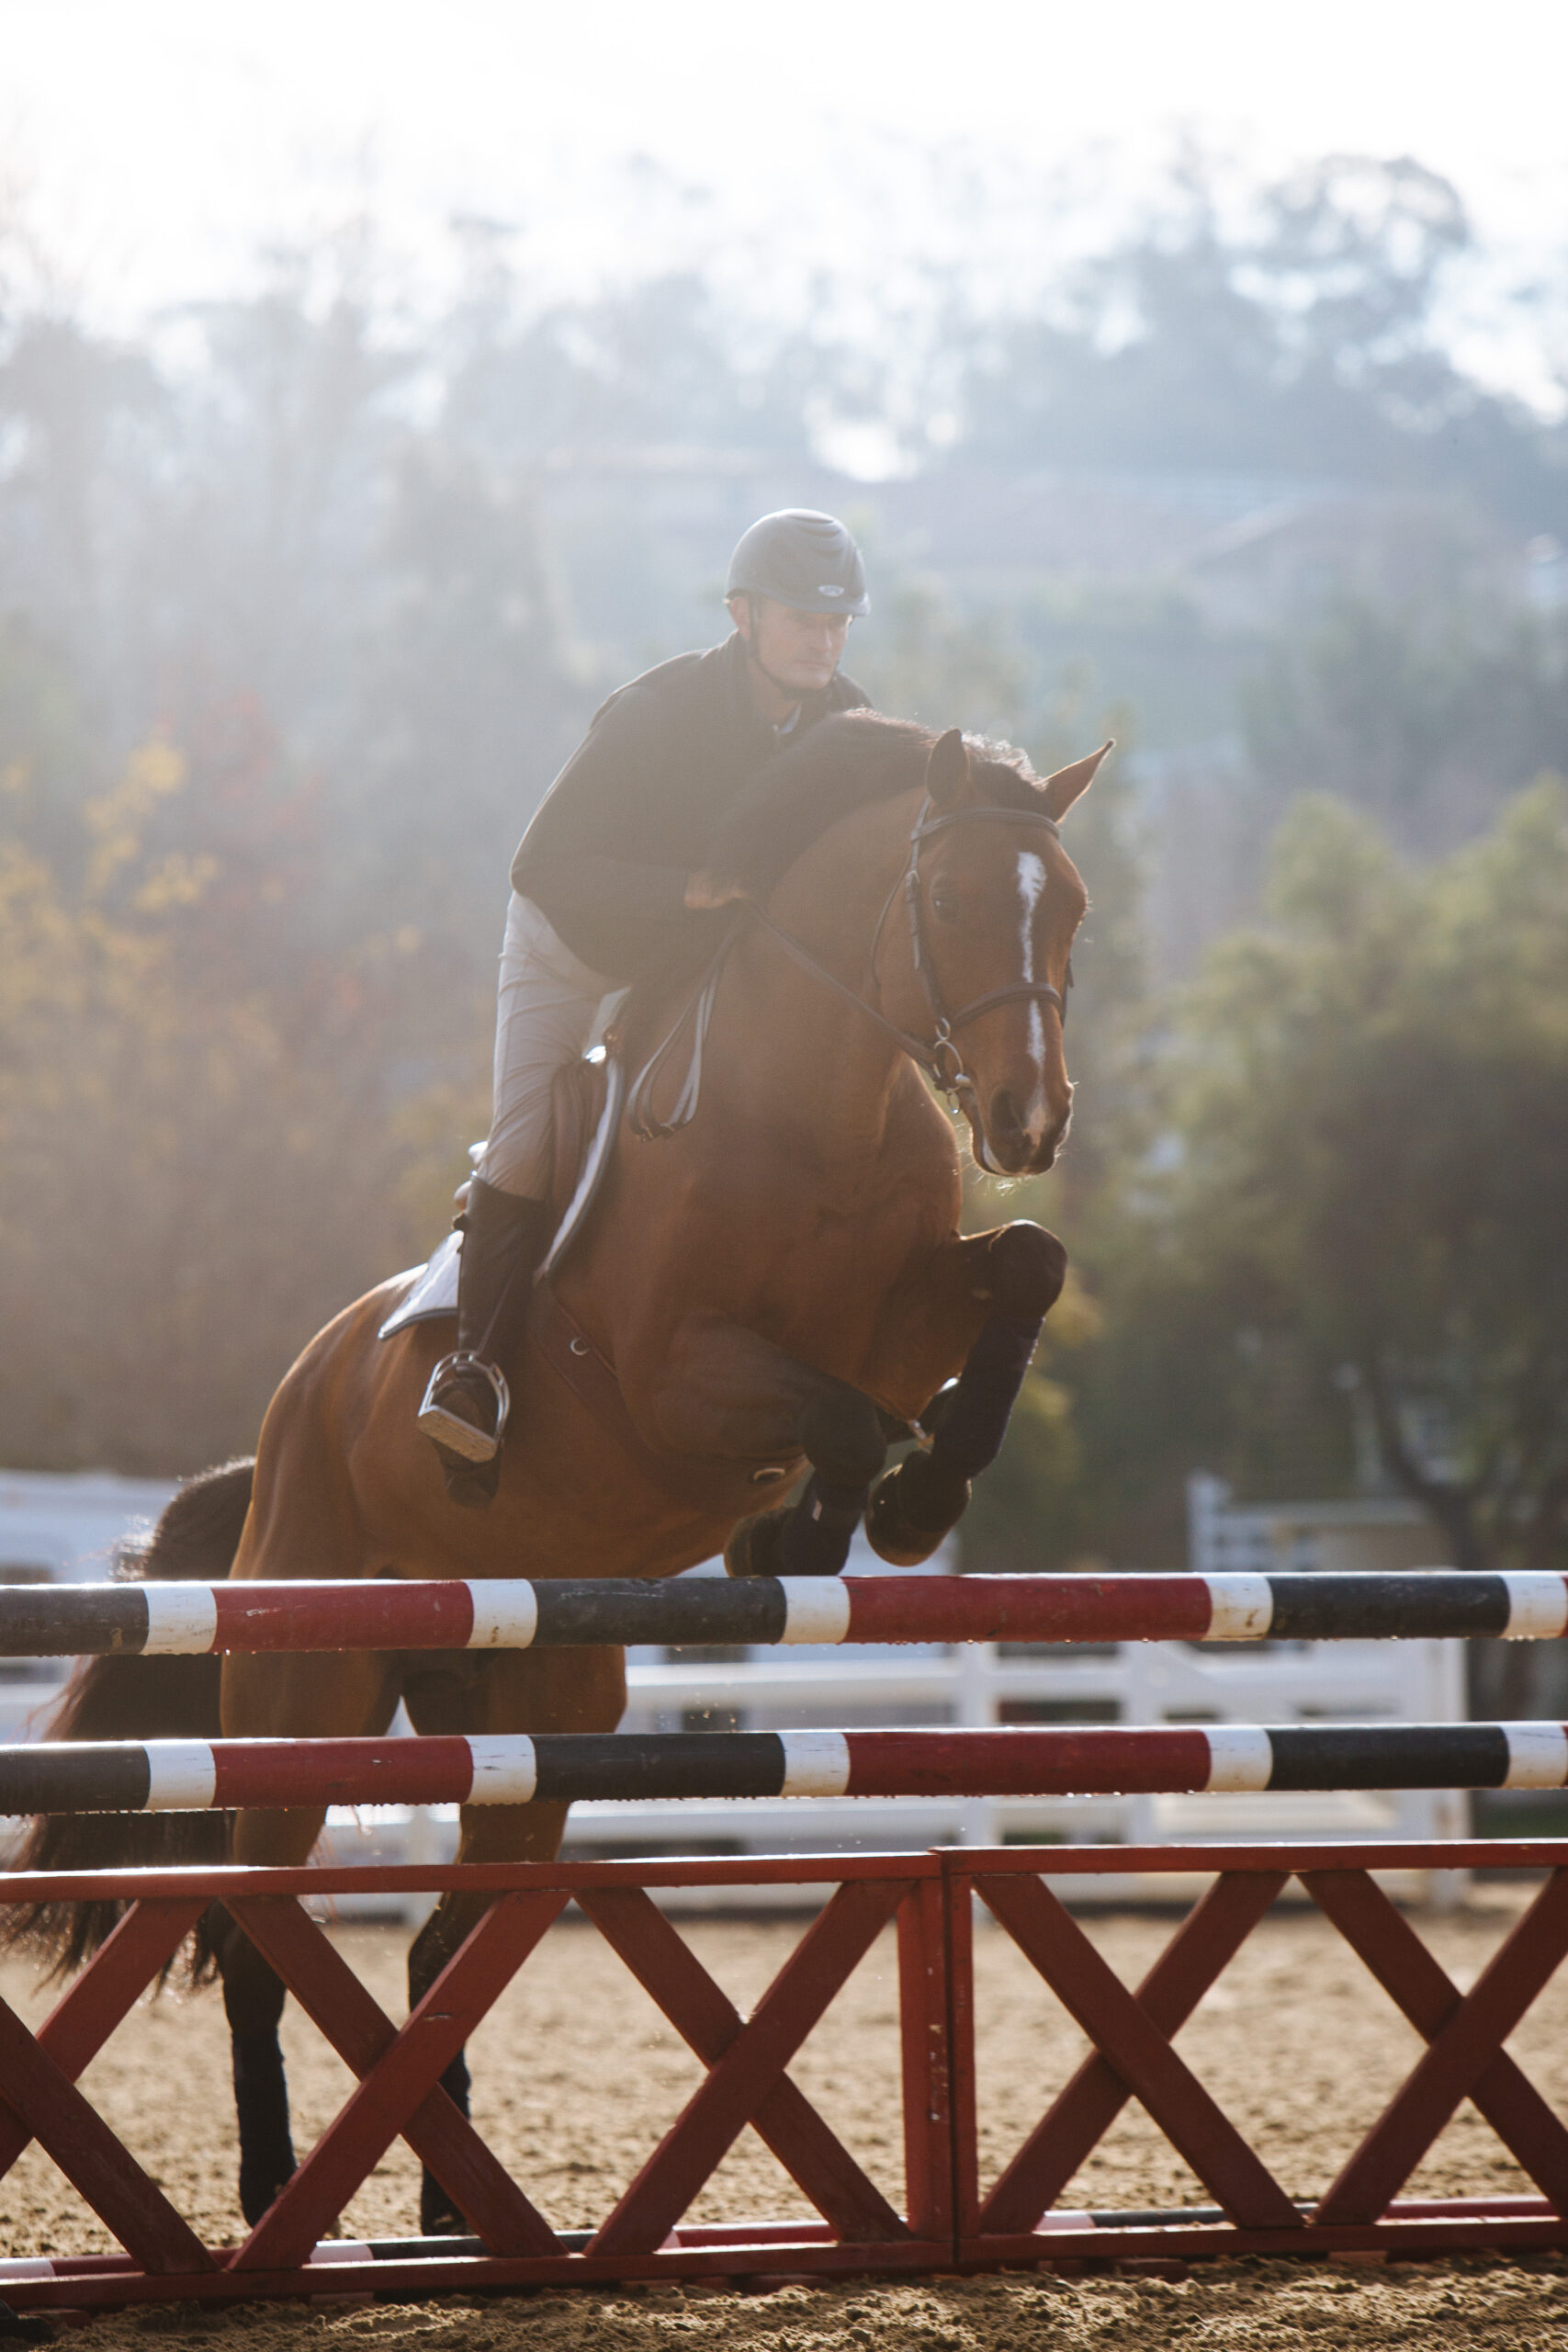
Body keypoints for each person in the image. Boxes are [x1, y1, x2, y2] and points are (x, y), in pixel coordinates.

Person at [419, 507, 873, 1503]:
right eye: (803, 617)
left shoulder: (845, 720)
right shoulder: (654, 712)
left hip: (697, 964)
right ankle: (476, 1372)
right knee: (531, 1134)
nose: (825, 639)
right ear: (743, 615)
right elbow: (540, 865)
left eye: (839, 620)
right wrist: (684, 891)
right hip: (576, 945)